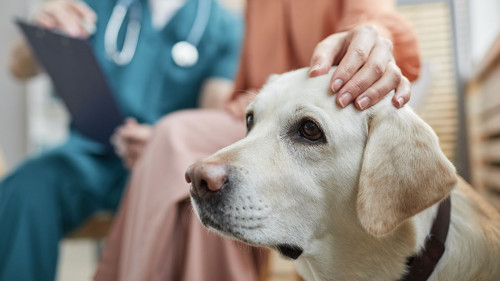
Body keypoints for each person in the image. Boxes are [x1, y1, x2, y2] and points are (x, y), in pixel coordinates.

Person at [94, 0, 421, 280]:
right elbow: (245, 96)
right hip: (257, 125)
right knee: (184, 154)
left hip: (327, 131)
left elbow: (372, 18)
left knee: (176, 138)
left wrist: (371, 37)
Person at [0, 0, 243, 280]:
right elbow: (18, 67)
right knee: (25, 188)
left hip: (163, 168)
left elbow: (211, 114)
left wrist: (162, 142)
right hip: (88, 156)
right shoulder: (101, 5)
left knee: (189, 216)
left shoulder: (224, 27)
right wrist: (43, 30)